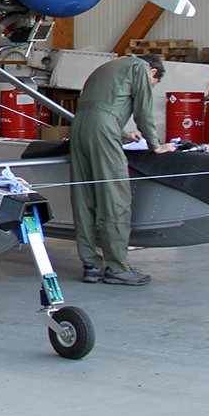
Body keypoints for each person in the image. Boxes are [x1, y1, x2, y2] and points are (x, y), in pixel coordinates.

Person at [69, 54, 176, 286]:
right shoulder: (140, 68)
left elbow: (99, 109)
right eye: (154, 83)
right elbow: (143, 113)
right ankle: (118, 267)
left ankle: (90, 264)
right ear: (154, 73)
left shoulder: (109, 67)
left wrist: (121, 134)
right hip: (102, 129)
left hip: (79, 129)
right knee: (114, 198)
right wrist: (156, 145)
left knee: (84, 197)